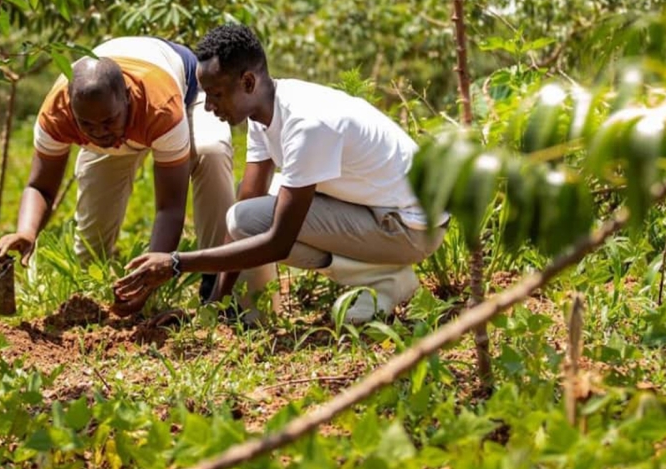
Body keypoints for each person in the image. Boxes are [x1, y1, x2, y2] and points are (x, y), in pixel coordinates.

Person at [114, 24, 445, 325]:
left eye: (216, 94)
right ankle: (249, 311)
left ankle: (382, 280)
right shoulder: (266, 111)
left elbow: (278, 242)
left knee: (260, 218)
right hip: (382, 214)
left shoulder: (307, 124)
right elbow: (243, 211)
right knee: (250, 210)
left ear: (247, 82)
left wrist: (176, 263)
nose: (210, 106)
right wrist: (213, 307)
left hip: (409, 228)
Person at [0, 36, 235, 315]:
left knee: (211, 151)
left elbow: (169, 208)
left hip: (186, 96)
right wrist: (27, 231)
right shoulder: (58, 112)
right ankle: (92, 291)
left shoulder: (160, 107)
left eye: (107, 121)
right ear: (71, 108)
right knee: (92, 241)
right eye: (87, 124)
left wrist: (149, 281)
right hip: (127, 115)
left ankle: (218, 283)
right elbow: (40, 186)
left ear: (127, 98)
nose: (99, 132)